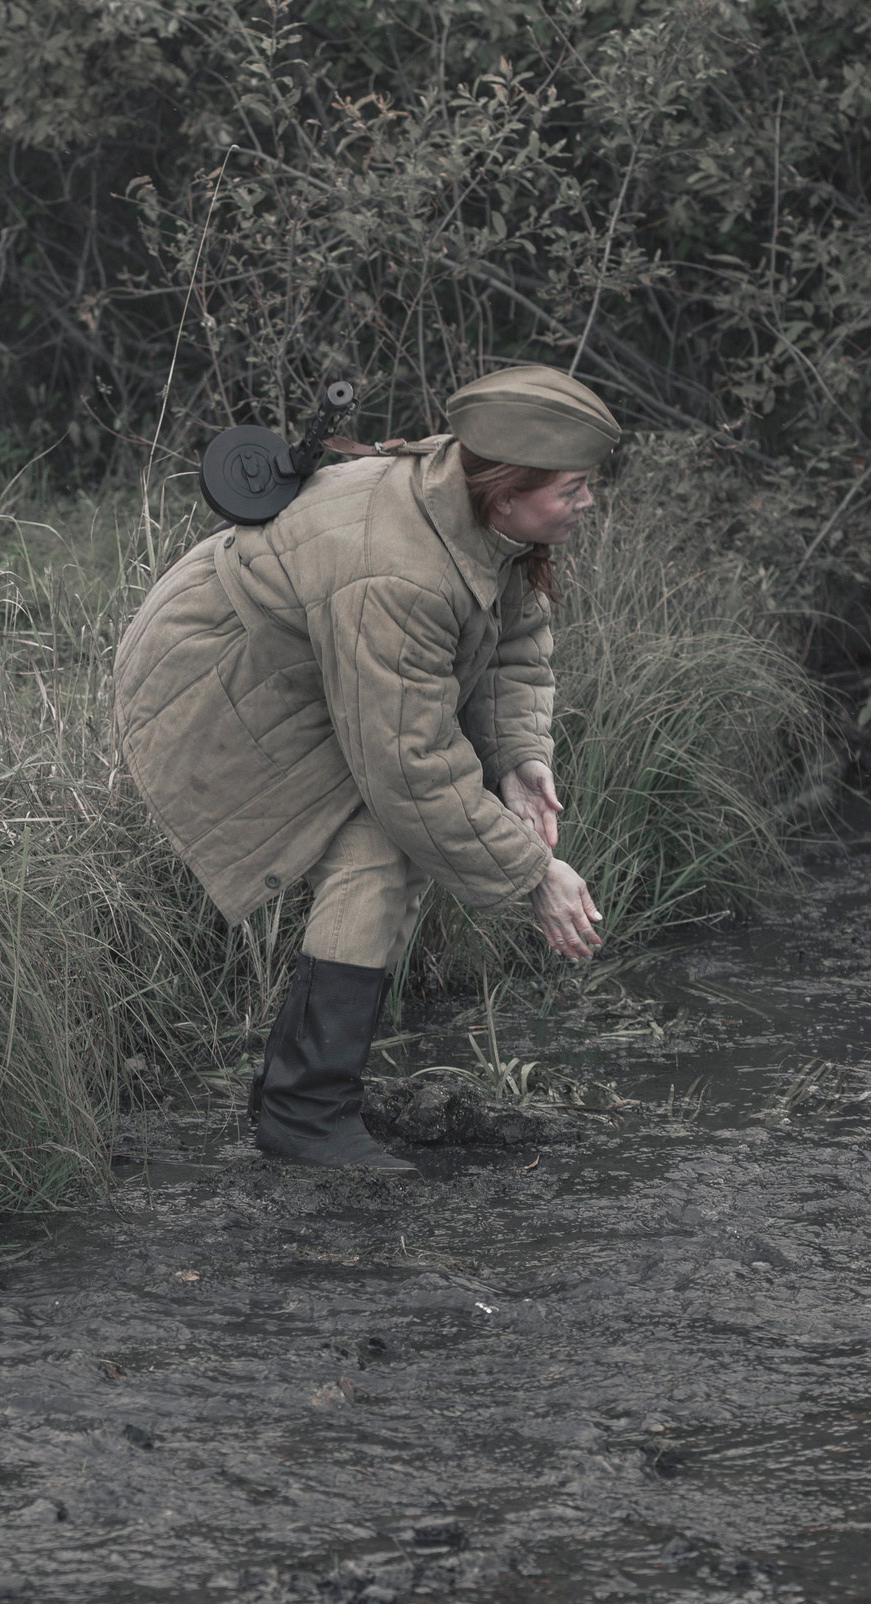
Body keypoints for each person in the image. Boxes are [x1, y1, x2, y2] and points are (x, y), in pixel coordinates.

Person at [113, 367, 617, 1174]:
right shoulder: (400, 571)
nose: (588, 503)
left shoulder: (481, 517)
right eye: (573, 489)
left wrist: (520, 761)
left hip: (312, 664)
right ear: (506, 488)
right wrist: (533, 874)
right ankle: (304, 1118)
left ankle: (296, 1101)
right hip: (221, 682)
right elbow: (412, 770)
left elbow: (514, 639)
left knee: (393, 848)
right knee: (383, 847)